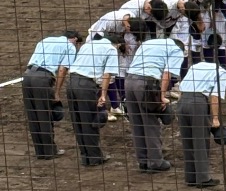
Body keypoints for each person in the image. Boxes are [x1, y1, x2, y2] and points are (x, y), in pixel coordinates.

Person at [124, 33, 184, 173]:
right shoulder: (176, 49)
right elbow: (167, 74)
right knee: (150, 122)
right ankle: (156, 162)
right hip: (146, 84)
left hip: (129, 82)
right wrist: (162, 96)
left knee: (137, 122)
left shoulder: (149, 43)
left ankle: (143, 161)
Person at [22, 30, 82, 160]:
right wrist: (56, 92)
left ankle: (40, 151)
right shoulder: (70, 47)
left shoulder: (45, 40)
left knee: (33, 115)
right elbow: (62, 70)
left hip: (27, 77)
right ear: (75, 39)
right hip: (42, 79)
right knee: (44, 114)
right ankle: (49, 151)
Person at [66, 32, 122, 166]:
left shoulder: (87, 45)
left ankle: (85, 156)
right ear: (117, 44)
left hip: (71, 83)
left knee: (77, 121)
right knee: (90, 121)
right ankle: (95, 158)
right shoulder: (111, 49)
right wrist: (103, 95)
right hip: (86, 86)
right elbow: (107, 74)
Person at [177, 43, 226, 188]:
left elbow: (182, 88)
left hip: (182, 102)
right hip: (198, 103)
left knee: (187, 140)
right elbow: (214, 96)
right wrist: (215, 119)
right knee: (200, 140)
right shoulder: (222, 73)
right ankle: (203, 178)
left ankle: (191, 177)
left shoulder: (196, 66)